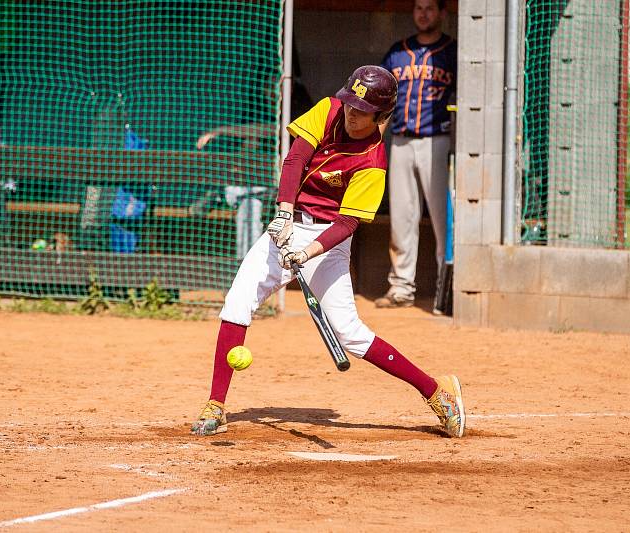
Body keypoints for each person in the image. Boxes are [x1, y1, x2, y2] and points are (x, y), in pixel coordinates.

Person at [190, 65, 466, 439]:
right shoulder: (329, 108)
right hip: (288, 224)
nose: (352, 114)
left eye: (362, 111)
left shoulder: (373, 161)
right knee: (237, 302)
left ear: (380, 116)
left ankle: (436, 392)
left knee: (350, 334)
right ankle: (216, 406)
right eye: (351, 104)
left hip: (329, 238)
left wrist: (306, 254)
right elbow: (295, 160)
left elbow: (347, 224)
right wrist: (284, 213)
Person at [374, 0, 457, 310]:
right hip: (402, 139)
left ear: (442, 13)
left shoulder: (452, 51)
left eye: (430, 8)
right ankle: (401, 288)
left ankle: (445, 291)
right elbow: (382, 96)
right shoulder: (398, 52)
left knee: (442, 219)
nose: (423, 13)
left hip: (438, 140)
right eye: (418, 8)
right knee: (401, 219)